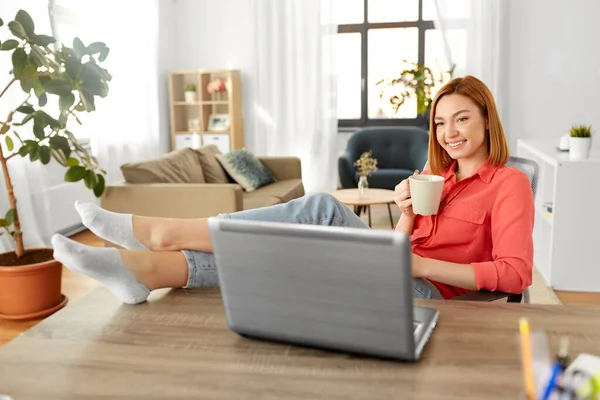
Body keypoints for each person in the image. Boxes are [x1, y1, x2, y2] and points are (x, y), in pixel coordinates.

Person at [52, 75, 534, 304]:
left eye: (462, 119)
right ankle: (148, 270)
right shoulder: (440, 179)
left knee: (320, 210)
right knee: (293, 245)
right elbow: (407, 244)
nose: (450, 132)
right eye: (442, 122)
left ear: (487, 120)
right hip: (399, 263)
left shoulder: (507, 184)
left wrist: (422, 265)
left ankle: (160, 237)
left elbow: (516, 274)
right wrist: (406, 213)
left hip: (430, 291)